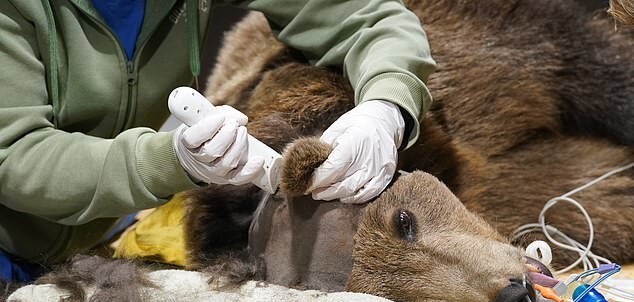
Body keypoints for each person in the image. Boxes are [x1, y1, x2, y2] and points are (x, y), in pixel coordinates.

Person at [0, 0, 436, 283]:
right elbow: (17, 157)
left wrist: (385, 106)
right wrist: (169, 161)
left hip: (90, 243)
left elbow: (371, 19)